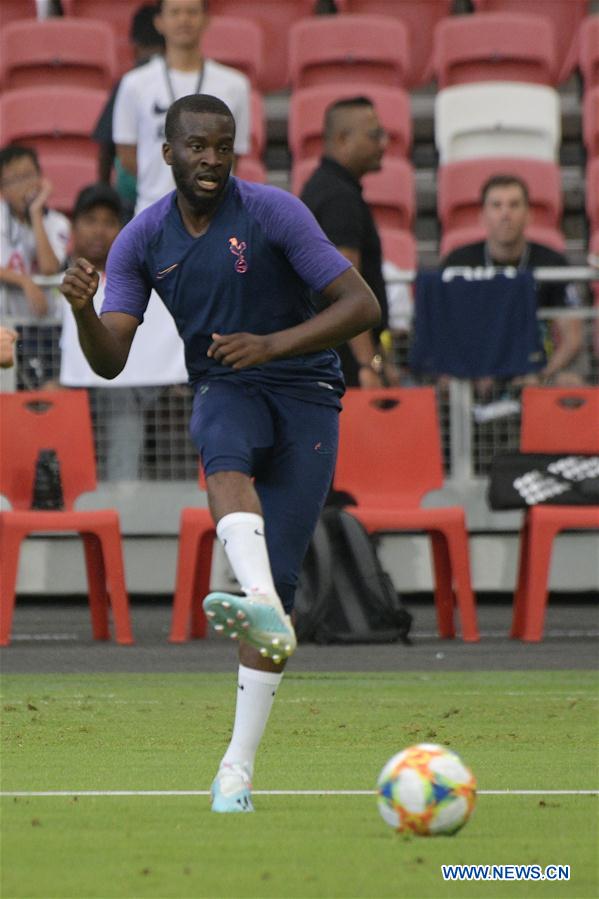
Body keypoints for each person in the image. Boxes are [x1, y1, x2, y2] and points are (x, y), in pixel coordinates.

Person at [60, 94, 380, 812]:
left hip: (307, 393)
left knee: (285, 580)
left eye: (222, 146)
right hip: (224, 383)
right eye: (197, 147)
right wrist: (81, 309)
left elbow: (361, 306)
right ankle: (258, 598)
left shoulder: (272, 211)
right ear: (167, 153)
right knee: (220, 447)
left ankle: (236, 766)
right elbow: (110, 359)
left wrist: (272, 343)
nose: (211, 160)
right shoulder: (141, 240)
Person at [59, 183, 187, 481]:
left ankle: (124, 493)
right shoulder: (59, 275)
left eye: (109, 222)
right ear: (74, 226)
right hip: (72, 388)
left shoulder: (140, 277)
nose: (100, 231)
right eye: (91, 221)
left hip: (135, 388)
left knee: (126, 395)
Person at [441, 174, 586, 388]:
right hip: (473, 372)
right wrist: (471, 374)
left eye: (514, 205)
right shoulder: (458, 263)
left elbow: (572, 338)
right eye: (497, 205)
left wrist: (542, 376)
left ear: (528, 215)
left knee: (571, 384)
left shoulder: (552, 262)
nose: (505, 214)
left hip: (535, 370)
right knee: (443, 383)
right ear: (482, 216)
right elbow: (443, 332)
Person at [112, 0, 250, 214]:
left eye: (192, 12)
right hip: (152, 209)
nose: (184, 19)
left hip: (213, 211)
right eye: (175, 12)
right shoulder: (134, 84)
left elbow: (234, 154)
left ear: (206, 20)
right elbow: (127, 155)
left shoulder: (235, 85)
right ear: (159, 22)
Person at [300, 96, 401, 388]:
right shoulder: (339, 199)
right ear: (343, 139)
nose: (383, 143)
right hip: (343, 366)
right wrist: (366, 366)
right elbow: (346, 289)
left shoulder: (325, 187)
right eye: (374, 135)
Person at [0, 145, 71, 387]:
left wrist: (35, 213)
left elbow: (50, 268)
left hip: (46, 327)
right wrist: (24, 281)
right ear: (3, 189)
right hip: (6, 324)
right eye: (15, 179)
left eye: (29, 175)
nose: (24, 185)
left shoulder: (58, 222)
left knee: (50, 390)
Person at [92, 3, 166, 218]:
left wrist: (103, 194)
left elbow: (106, 145)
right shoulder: (185, 78)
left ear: (133, 43)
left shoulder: (132, 81)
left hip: (133, 198)